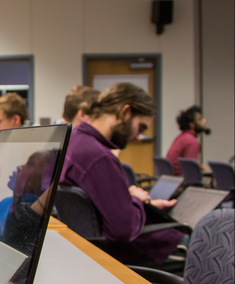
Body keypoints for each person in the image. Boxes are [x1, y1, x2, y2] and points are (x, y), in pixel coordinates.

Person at [59, 83, 184, 266]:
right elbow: (123, 230)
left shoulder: (74, 142)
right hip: (118, 261)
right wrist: (138, 201)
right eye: (140, 127)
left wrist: (134, 200)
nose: (138, 137)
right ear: (125, 112)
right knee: (191, 235)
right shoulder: (99, 157)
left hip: (88, 253)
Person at [166, 105, 208, 176]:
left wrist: (201, 167)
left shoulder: (182, 137)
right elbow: (191, 170)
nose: (204, 121)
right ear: (192, 124)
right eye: (200, 119)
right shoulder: (191, 141)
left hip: (174, 179)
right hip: (182, 181)